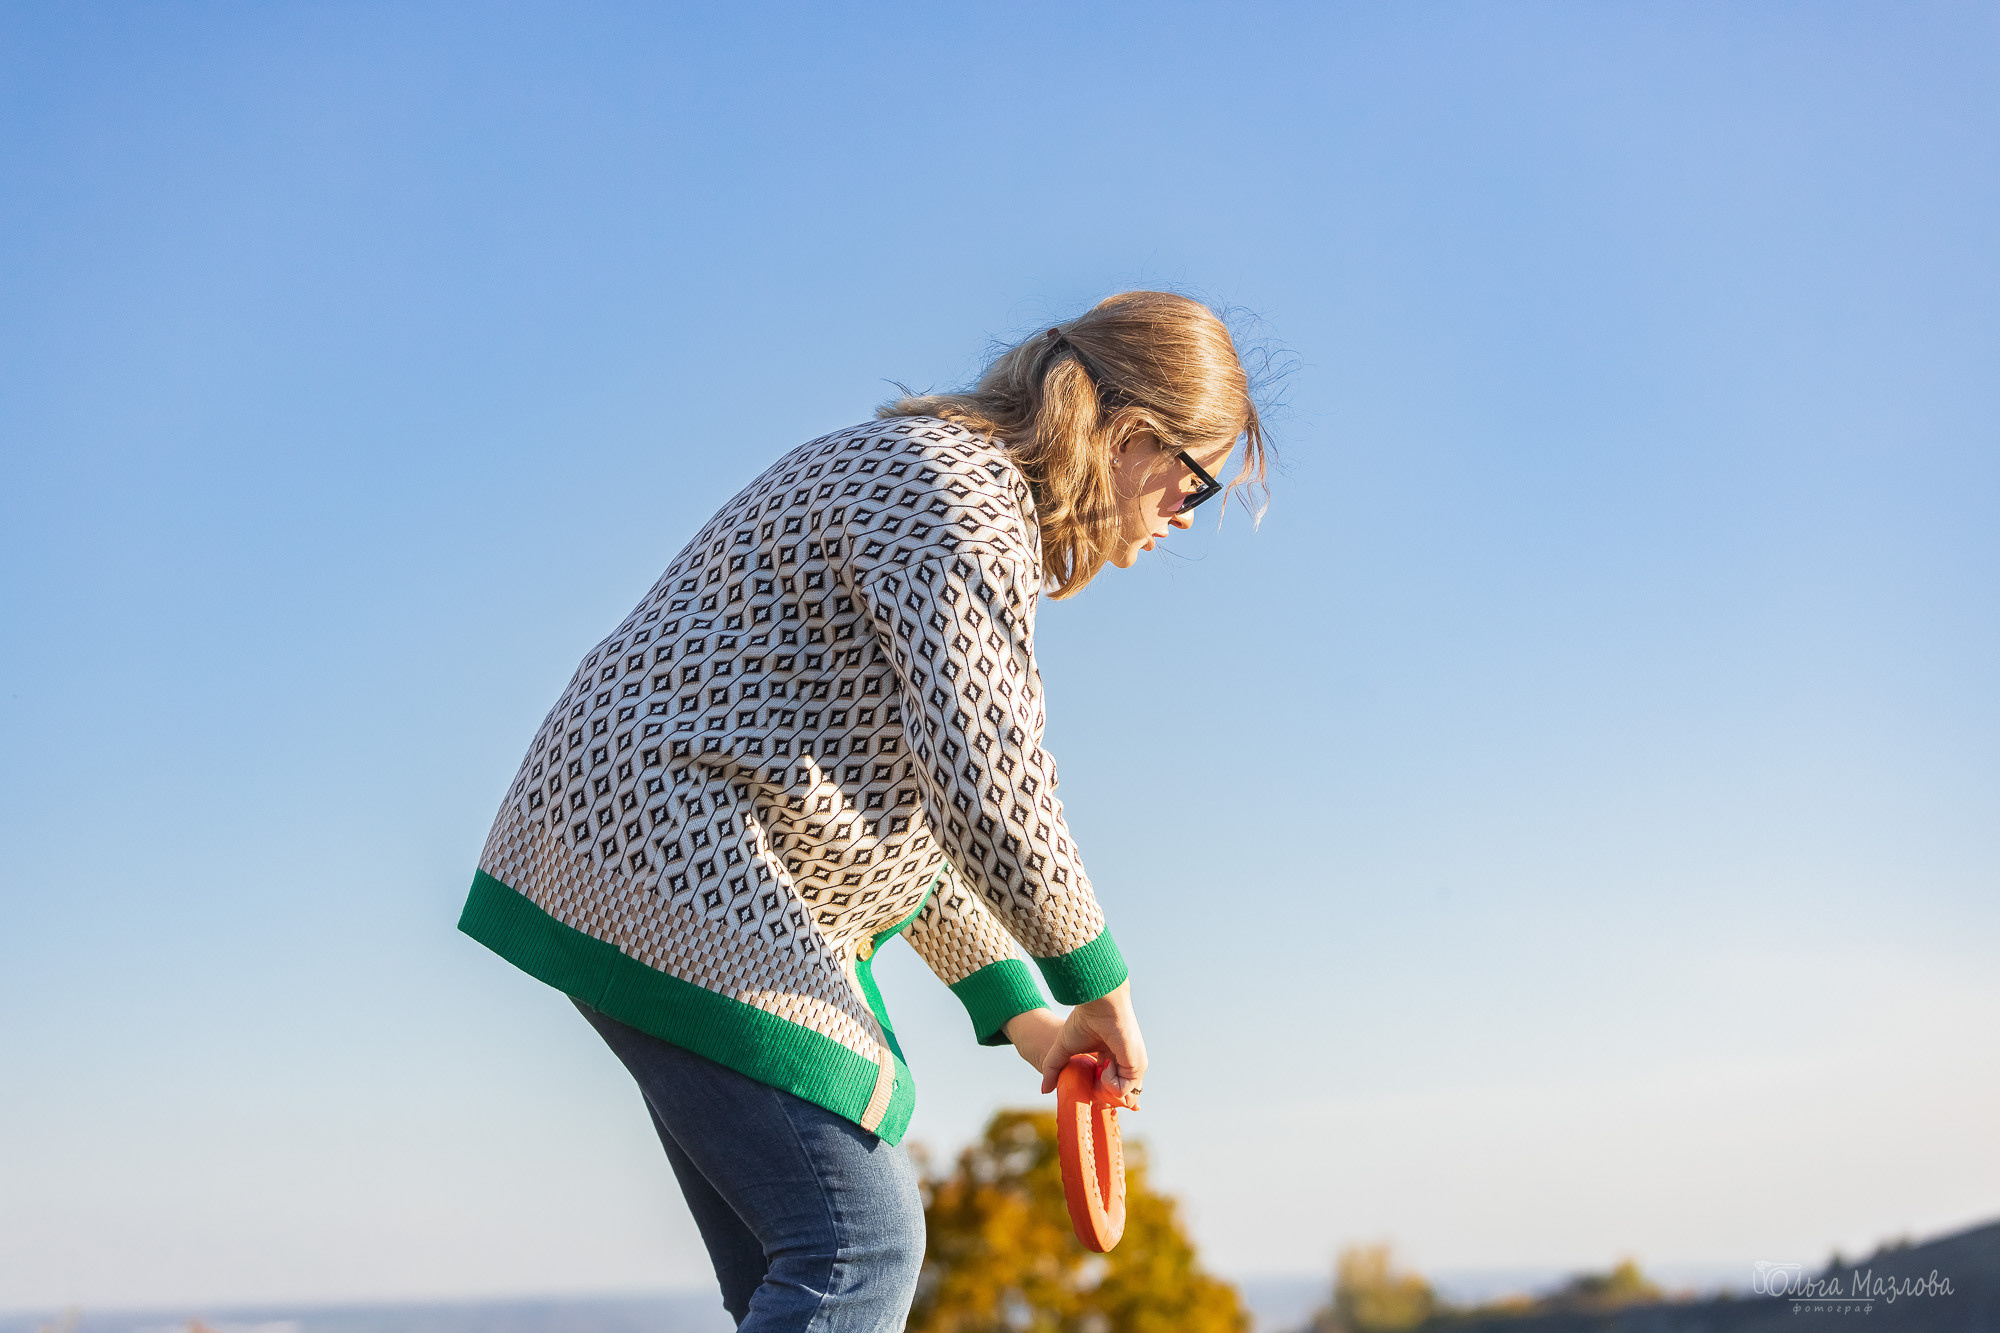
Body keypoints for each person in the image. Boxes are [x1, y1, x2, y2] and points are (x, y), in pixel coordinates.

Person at [458, 289, 1271, 1331]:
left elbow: (916, 830)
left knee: (792, 1264)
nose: (1178, 522)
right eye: (1190, 489)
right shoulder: (964, 496)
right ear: (1131, 434)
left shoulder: (944, 484)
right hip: (667, 853)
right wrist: (1101, 984)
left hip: (628, 849)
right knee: (859, 1240)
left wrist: (1027, 1017)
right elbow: (992, 790)